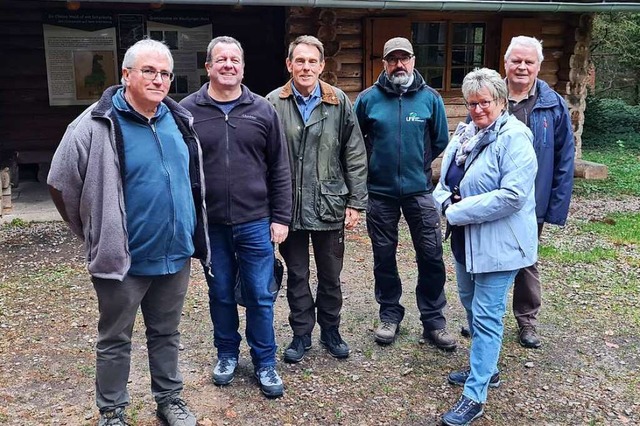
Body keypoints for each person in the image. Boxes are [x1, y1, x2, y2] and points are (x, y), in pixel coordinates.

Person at [47, 39, 208, 426]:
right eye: (148, 71)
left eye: (165, 73)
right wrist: (94, 231)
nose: (158, 79)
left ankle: (169, 399)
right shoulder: (94, 124)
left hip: (174, 254)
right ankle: (113, 411)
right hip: (124, 259)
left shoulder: (178, 119)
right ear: (126, 75)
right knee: (115, 338)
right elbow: (59, 183)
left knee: (166, 332)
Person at [179, 36, 292, 398]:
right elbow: (179, 170)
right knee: (221, 292)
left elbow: (280, 167)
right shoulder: (187, 111)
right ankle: (227, 354)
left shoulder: (262, 111)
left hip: (256, 220)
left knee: (260, 294)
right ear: (208, 67)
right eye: (220, 59)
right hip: (211, 225)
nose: (228, 65)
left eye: (235, 60)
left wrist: (281, 216)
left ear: (242, 67)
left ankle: (265, 361)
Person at [433, 68, 538, 425]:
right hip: (466, 240)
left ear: (500, 101)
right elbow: (443, 179)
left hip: (500, 245)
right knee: (471, 307)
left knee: (488, 316)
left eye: (484, 103)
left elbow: (512, 196)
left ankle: (475, 395)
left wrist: (456, 210)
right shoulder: (465, 133)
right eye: (471, 103)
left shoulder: (515, 138)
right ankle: (487, 367)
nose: (477, 109)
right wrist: (444, 202)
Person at [265, 35, 368, 363]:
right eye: (300, 61)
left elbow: (354, 153)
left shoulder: (338, 101)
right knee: (296, 274)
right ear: (289, 64)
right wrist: (267, 207)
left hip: (329, 203)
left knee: (329, 274)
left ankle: (331, 329)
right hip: (289, 207)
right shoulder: (272, 103)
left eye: (312, 61)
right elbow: (263, 158)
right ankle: (301, 333)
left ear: (322, 65)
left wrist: (356, 201)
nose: (306, 67)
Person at [354, 37, 455, 350]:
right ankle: (389, 315)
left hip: (419, 191)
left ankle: (434, 321)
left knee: (430, 255)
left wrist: (419, 165)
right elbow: (356, 141)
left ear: (413, 60)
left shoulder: (430, 99)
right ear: (384, 63)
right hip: (380, 194)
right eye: (392, 59)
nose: (399, 64)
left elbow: (439, 140)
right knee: (384, 257)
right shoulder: (368, 99)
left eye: (404, 58)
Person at [504, 36, 575, 348]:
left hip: (533, 201)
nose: (521, 67)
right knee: (486, 258)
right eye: (516, 60)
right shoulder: (491, 97)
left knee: (526, 259)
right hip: (492, 200)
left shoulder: (553, 105)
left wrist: (555, 207)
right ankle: (482, 316)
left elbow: (564, 160)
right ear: (505, 64)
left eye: (528, 62)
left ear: (538, 66)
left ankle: (527, 321)